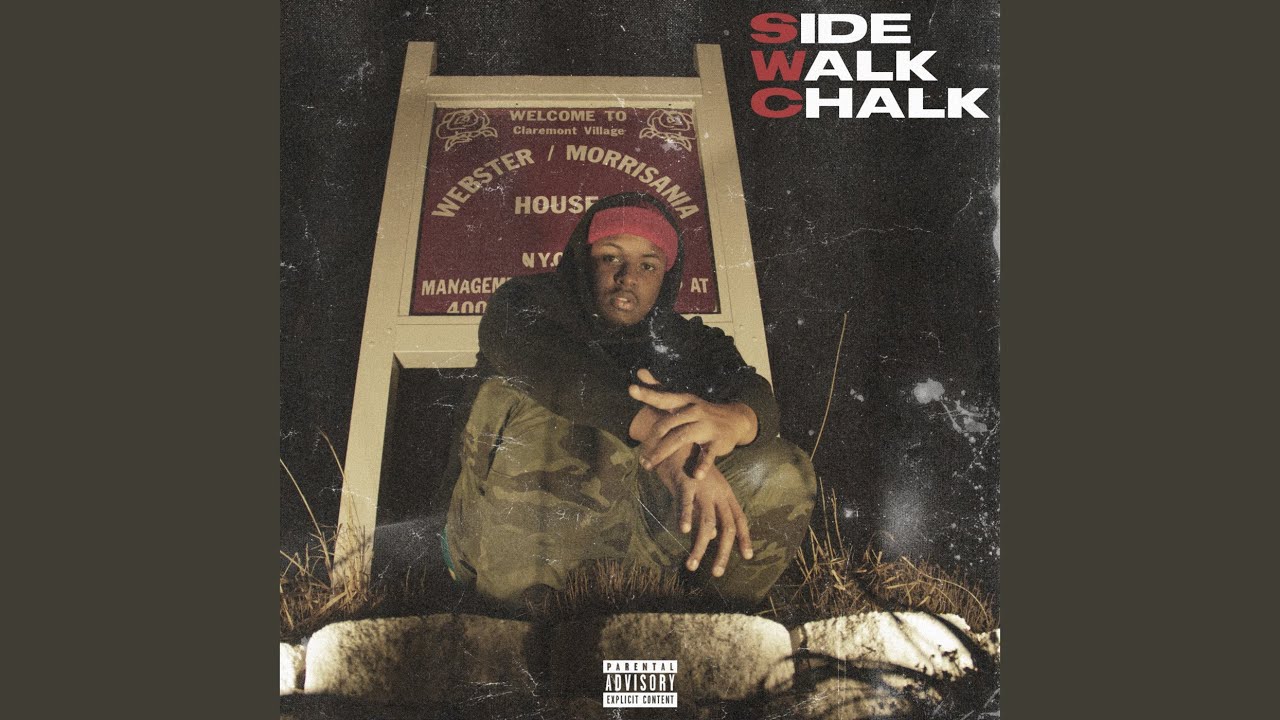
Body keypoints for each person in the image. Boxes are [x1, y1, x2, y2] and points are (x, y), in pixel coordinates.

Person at [443, 192, 816, 608]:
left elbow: (752, 390)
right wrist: (659, 432)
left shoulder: (683, 339)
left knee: (781, 468)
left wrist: (736, 420)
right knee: (535, 402)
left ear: (666, 276)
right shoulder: (526, 302)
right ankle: (520, 621)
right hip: (496, 536)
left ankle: (709, 625)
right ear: (584, 261)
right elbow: (551, 366)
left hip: (630, 534)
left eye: (648, 265)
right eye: (610, 258)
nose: (627, 277)